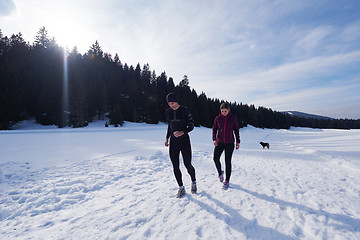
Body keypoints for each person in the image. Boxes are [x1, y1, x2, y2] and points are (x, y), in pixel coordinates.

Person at [165, 92, 197, 198]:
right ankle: (181, 187)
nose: (171, 105)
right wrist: (167, 138)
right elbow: (170, 126)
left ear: (177, 101)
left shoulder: (185, 110)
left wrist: (182, 132)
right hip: (174, 143)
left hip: (184, 142)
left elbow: (191, 125)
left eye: (173, 103)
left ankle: (193, 182)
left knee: (187, 165)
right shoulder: (168, 112)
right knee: (175, 165)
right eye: (169, 103)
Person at [212, 102, 240, 190]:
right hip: (219, 142)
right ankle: (220, 173)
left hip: (229, 143)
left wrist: (238, 142)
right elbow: (214, 129)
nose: (224, 113)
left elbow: (236, 130)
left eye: (225, 111)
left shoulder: (233, 118)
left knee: (227, 161)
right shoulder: (218, 118)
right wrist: (214, 139)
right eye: (222, 111)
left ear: (228, 110)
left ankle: (227, 180)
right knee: (215, 158)